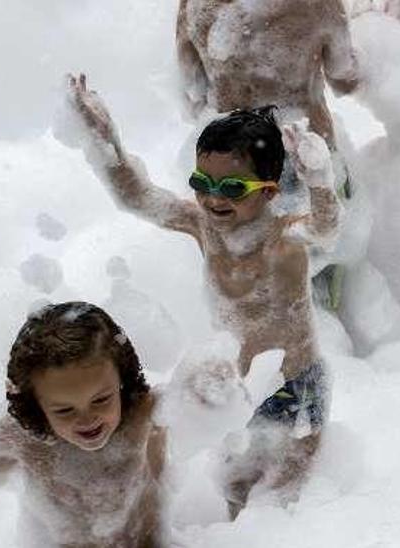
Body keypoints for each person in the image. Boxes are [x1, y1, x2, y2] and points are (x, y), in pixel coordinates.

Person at [61, 75, 337, 517]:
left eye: (231, 189)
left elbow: (325, 229)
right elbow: (138, 197)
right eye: (201, 182)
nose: (212, 199)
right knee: (238, 493)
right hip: (236, 390)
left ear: (267, 193)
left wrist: (320, 181)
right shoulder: (203, 227)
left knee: (283, 506)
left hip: (292, 387)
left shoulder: (284, 239)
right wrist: (104, 140)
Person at [0, 302, 166, 547]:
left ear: (122, 378)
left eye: (101, 399)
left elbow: (197, 396)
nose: (87, 418)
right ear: (35, 405)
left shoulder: (150, 415)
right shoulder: (23, 436)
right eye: (64, 410)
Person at [177, 0, 358, 314]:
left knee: (248, 298)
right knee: (320, 302)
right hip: (304, 154)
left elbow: (192, 90)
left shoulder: (194, 5)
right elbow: (346, 78)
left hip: (232, 170)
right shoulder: (320, 4)